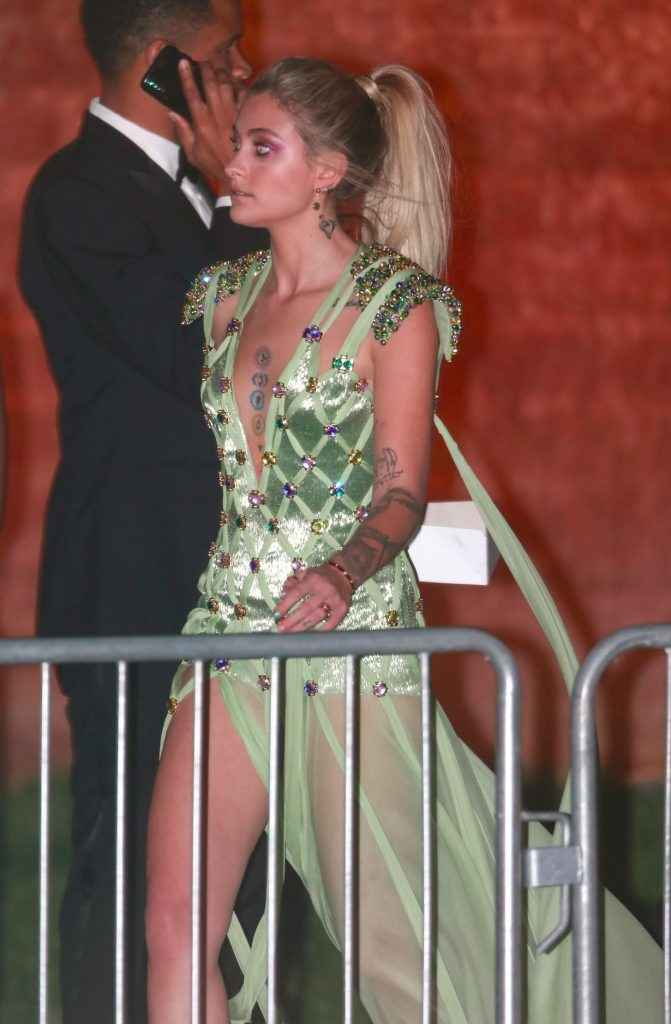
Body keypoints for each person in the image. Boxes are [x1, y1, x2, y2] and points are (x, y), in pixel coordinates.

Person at [146, 57, 671, 1023]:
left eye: (261, 147)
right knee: (174, 924)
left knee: (393, 948)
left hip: (352, 648)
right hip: (225, 634)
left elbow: (401, 492)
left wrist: (341, 571)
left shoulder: (394, 305)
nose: (235, 165)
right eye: (236, 145)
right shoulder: (220, 295)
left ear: (326, 173)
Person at [18, 2, 268, 1022]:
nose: (244, 71)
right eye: (223, 56)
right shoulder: (79, 194)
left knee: (231, 880)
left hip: (233, 580)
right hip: (133, 578)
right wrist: (233, 195)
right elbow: (203, 350)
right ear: (166, 66)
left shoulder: (209, 190)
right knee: (128, 868)